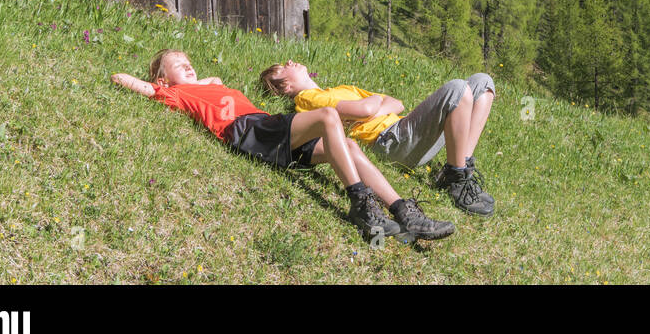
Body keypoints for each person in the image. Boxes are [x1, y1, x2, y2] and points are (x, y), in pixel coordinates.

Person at [111, 49, 454, 243]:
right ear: (162, 78)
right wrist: (159, 83)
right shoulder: (176, 92)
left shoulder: (205, 84)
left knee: (349, 146)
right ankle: (360, 202)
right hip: (248, 130)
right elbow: (126, 81)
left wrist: (196, 77)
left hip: (269, 130)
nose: (187, 64)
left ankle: (402, 212)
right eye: (177, 63)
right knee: (327, 118)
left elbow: (213, 80)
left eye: (189, 60)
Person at [260, 60, 496, 216]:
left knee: (482, 82)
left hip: (404, 131)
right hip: (390, 141)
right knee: (457, 88)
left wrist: (374, 107)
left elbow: (396, 103)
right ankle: (455, 178)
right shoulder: (308, 99)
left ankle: (461, 170)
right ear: (286, 85)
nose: (290, 62)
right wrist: (373, 105)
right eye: (283, 67)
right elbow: (366, 109)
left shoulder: (334, 91)